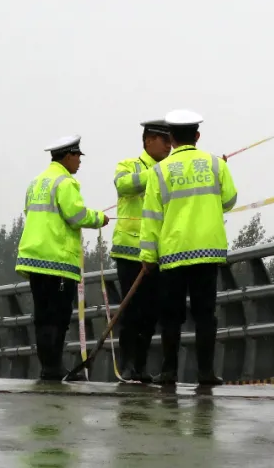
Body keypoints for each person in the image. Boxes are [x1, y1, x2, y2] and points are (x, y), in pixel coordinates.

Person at [140, 109, 237, 386]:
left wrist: (147, 257)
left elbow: (151, 218)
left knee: (171, 317)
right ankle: (206, 373)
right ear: (197, 136)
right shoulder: (217, 165)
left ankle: (169, 372)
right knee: (205, 315)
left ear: (171, 138)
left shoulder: (158, 172)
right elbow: (229, 201)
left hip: (173, 254)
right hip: (207, 252)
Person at [16, 135, 109, 381]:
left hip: (34, 259)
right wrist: (99, 218)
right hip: (57, 260)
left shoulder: (36, 182)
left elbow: (30, 212)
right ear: (68, 155)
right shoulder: (65, 183)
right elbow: (76, 215)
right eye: (78, 157)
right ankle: (53, 368)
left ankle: (48, 367)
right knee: (57, 317)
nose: (79, 162)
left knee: (43, 315)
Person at [110, 118, 172, 383]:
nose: (169, 146)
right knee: (131, 312)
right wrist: (163, 172)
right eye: (164, 140)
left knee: (151, 313)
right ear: (148, 140)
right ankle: (127, 366)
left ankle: (142, 366)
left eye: (172, 140)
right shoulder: (129, 165)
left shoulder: (170, 170)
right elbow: (124, 185)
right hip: (130, 251)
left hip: (159, 252)